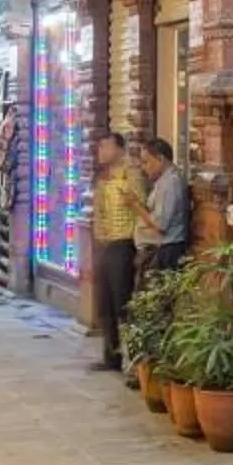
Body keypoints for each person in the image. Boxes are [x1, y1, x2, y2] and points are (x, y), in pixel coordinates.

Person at [89, 130, 145, 371]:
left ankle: (132, 359)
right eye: (99, 147)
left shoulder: (131, 174)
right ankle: (110, 355)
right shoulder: (101, 176)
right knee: (105, 303)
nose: (101, 151)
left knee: (123, 301)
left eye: (106, 146)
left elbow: (142, 208)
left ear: (120, 149)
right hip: (104, 244)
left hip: (123, 244)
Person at [137, 136, 190, 280]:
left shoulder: (170, 183)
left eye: (146, 162)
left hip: (168, 251)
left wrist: (136, 206)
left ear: (160, 159)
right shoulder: (164, 180)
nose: (143, 167)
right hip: (163, 249)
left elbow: (160, 224)